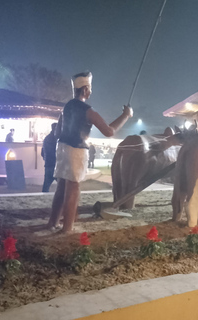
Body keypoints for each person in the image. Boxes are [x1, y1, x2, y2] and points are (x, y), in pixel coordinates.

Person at [48, 71, 133, 233]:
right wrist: (125, 115)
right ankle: (67, 228)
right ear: (85, 89)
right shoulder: (88, 110)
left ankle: (52, 222)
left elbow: (57, 133)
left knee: (61, 186)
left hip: (62, 148)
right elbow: (109, 131)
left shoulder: (67, 107)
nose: (91, 92)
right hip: (77, 150)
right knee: (73, 188)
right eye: (90, 88)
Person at [41, 123, 58, 192]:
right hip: (56, 165)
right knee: (63, 186)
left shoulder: (46, 138)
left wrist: (46, 159)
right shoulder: (57, 139)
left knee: (46, 185)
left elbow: (42, 152)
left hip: (48, 164)